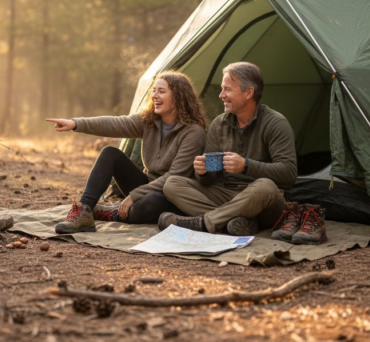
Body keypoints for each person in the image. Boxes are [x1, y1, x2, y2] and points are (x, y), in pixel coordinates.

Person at [160, 62, 327, 244]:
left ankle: (205, 222)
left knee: (265, 186)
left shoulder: (276, 123)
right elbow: (209, 180)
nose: (221, 95)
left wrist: (246, 166)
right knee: (172, 184)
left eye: (227, 90)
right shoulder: (219, 124)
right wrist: (204, 172)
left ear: (248, 93)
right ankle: (233, 222)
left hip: (265, 202)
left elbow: (288, 173)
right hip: (228, 195)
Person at [46, 71, 207, 233]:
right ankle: (84, 211)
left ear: (179, 97)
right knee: (110, 154)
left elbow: (173, 177)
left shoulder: (193, 133)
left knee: (148, 203)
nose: (155, 96)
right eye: (154, 90)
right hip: (146, 185)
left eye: (162, 91)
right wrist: (75, 124)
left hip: (171, 195)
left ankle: (111, 214)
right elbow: (116, 123)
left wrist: (133, 196)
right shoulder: (149, 121)